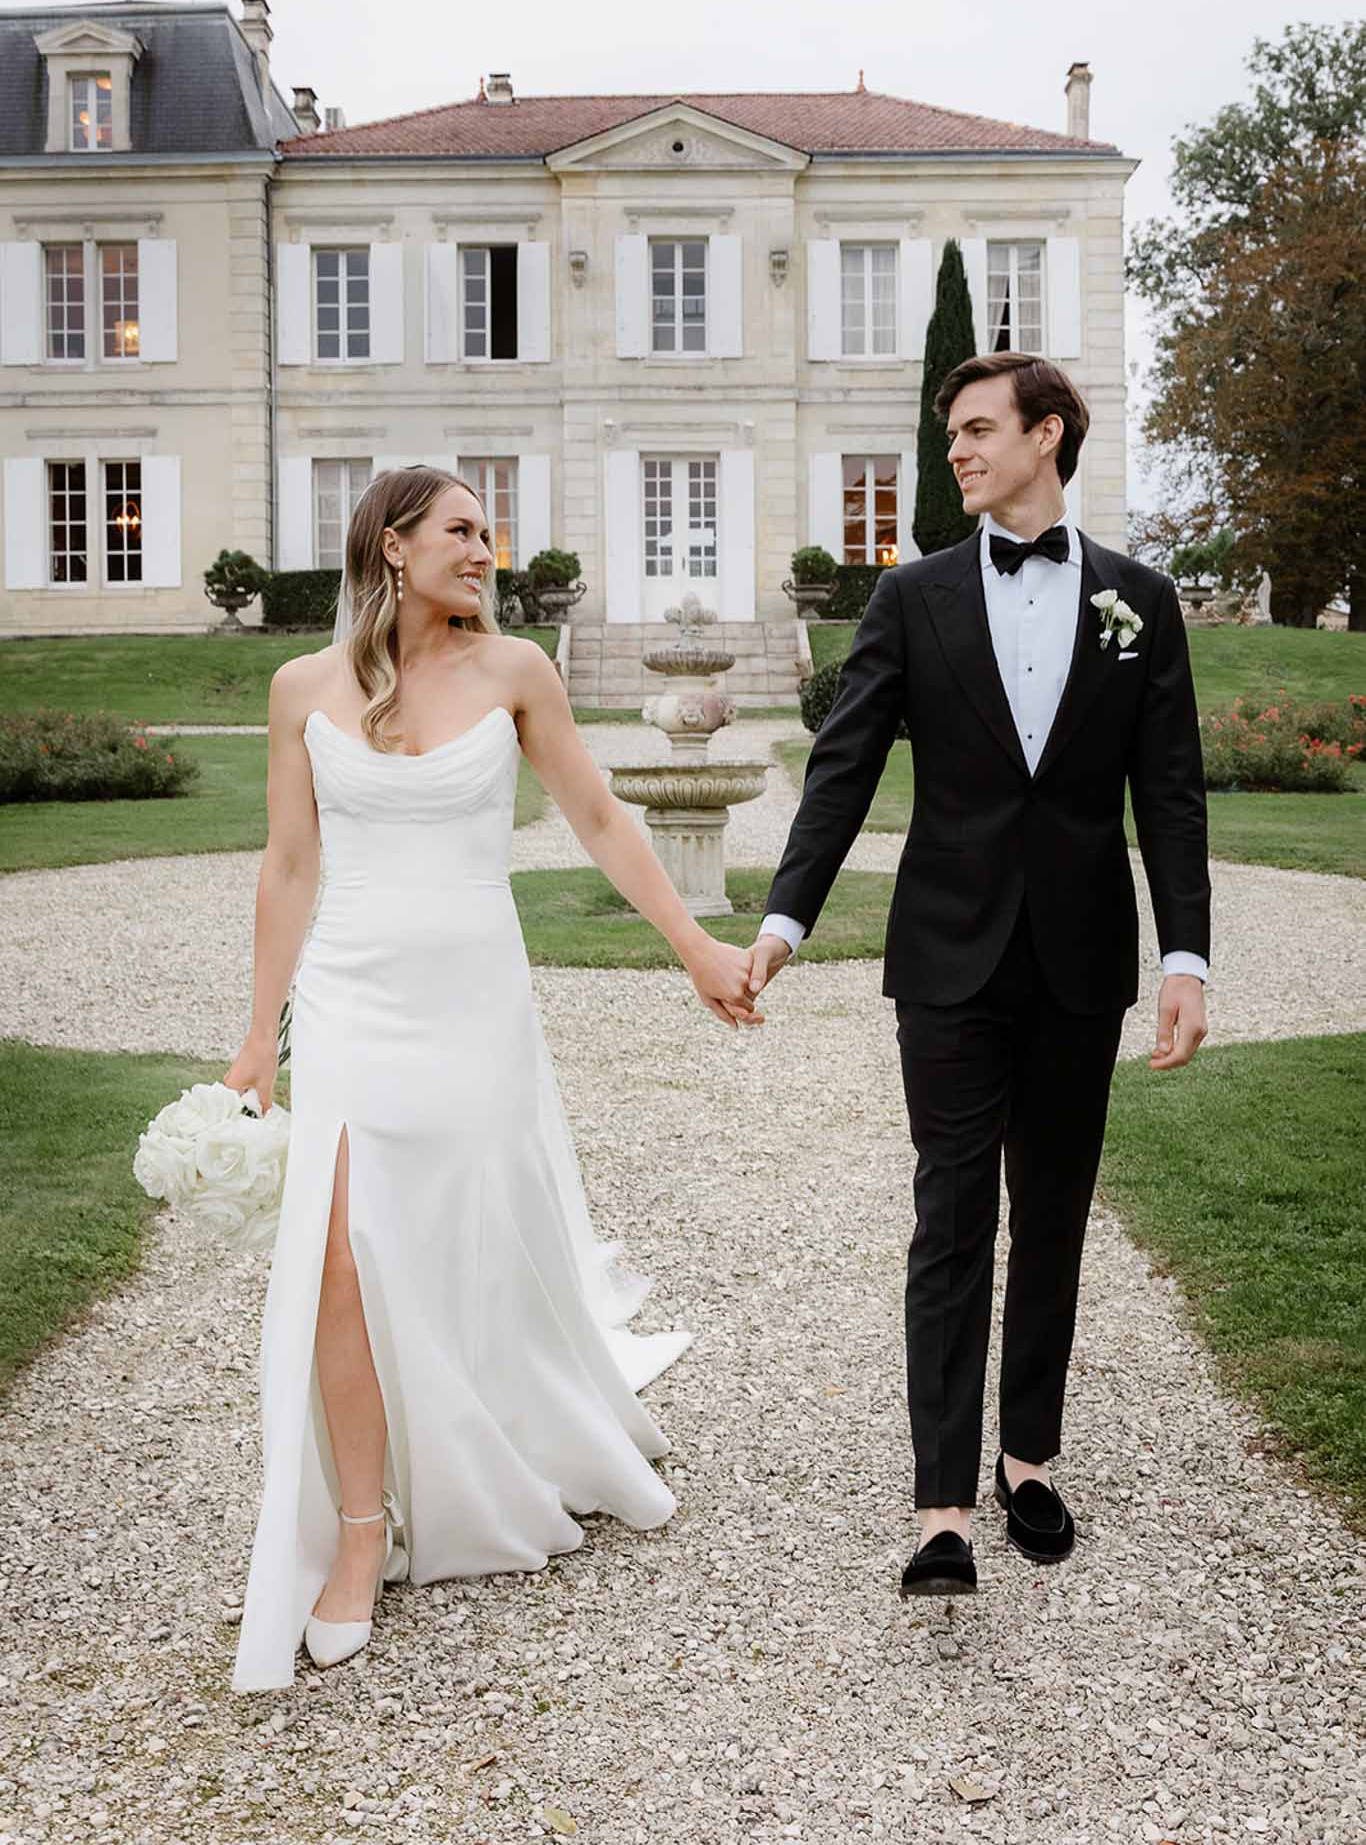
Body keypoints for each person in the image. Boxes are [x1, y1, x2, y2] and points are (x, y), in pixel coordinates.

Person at [225, 466, 759, 1691]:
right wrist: (261, 1035)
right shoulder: (300, 688)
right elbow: (290, 865)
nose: (485, 549)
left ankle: (490, 1435)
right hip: (352, 1001)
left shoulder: (518, 671)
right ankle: (362, 1524)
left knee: (466, 1235)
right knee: (339, 1254)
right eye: (461, 530)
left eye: (487, 531)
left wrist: (694, 946)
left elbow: (603, 818)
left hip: (475, 1003)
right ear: (393, 545)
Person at [746, 355, 1209, 1595]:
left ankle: (1028, 1459)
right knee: (953, 1216)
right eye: (950, 433)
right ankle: (941, 1502)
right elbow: (841, 769)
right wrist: (785, 921)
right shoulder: (911, 595)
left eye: (974, 429)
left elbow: (1166, 791)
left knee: (1052, 1211)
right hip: (944, 959)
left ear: (1044, 435)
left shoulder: (1138, 601)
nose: (952, 450)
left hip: (1077, 958)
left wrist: (1183, 955)